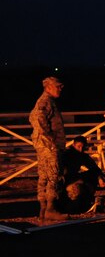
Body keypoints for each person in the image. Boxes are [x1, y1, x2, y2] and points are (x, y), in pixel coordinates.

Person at [29, 76, 68, 222]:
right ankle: (50, 209)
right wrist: (50, 139)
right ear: (48, 87)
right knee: (53, 175)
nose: (60, 88)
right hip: (49, 146)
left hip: (45, 145)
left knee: (44, 176)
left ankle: (43, 209)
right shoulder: (45, 102)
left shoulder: (46, 101)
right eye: (57, 86)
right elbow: (39, 119)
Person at [62, 136, 105, 213]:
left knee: (93, 174)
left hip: (74, 178)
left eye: (83, 147)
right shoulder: (65, 155)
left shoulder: (82, 156)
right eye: (79, 146)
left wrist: (100, 177)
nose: (80, 149)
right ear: (73, 145)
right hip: (65, 180)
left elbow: (95, 168)